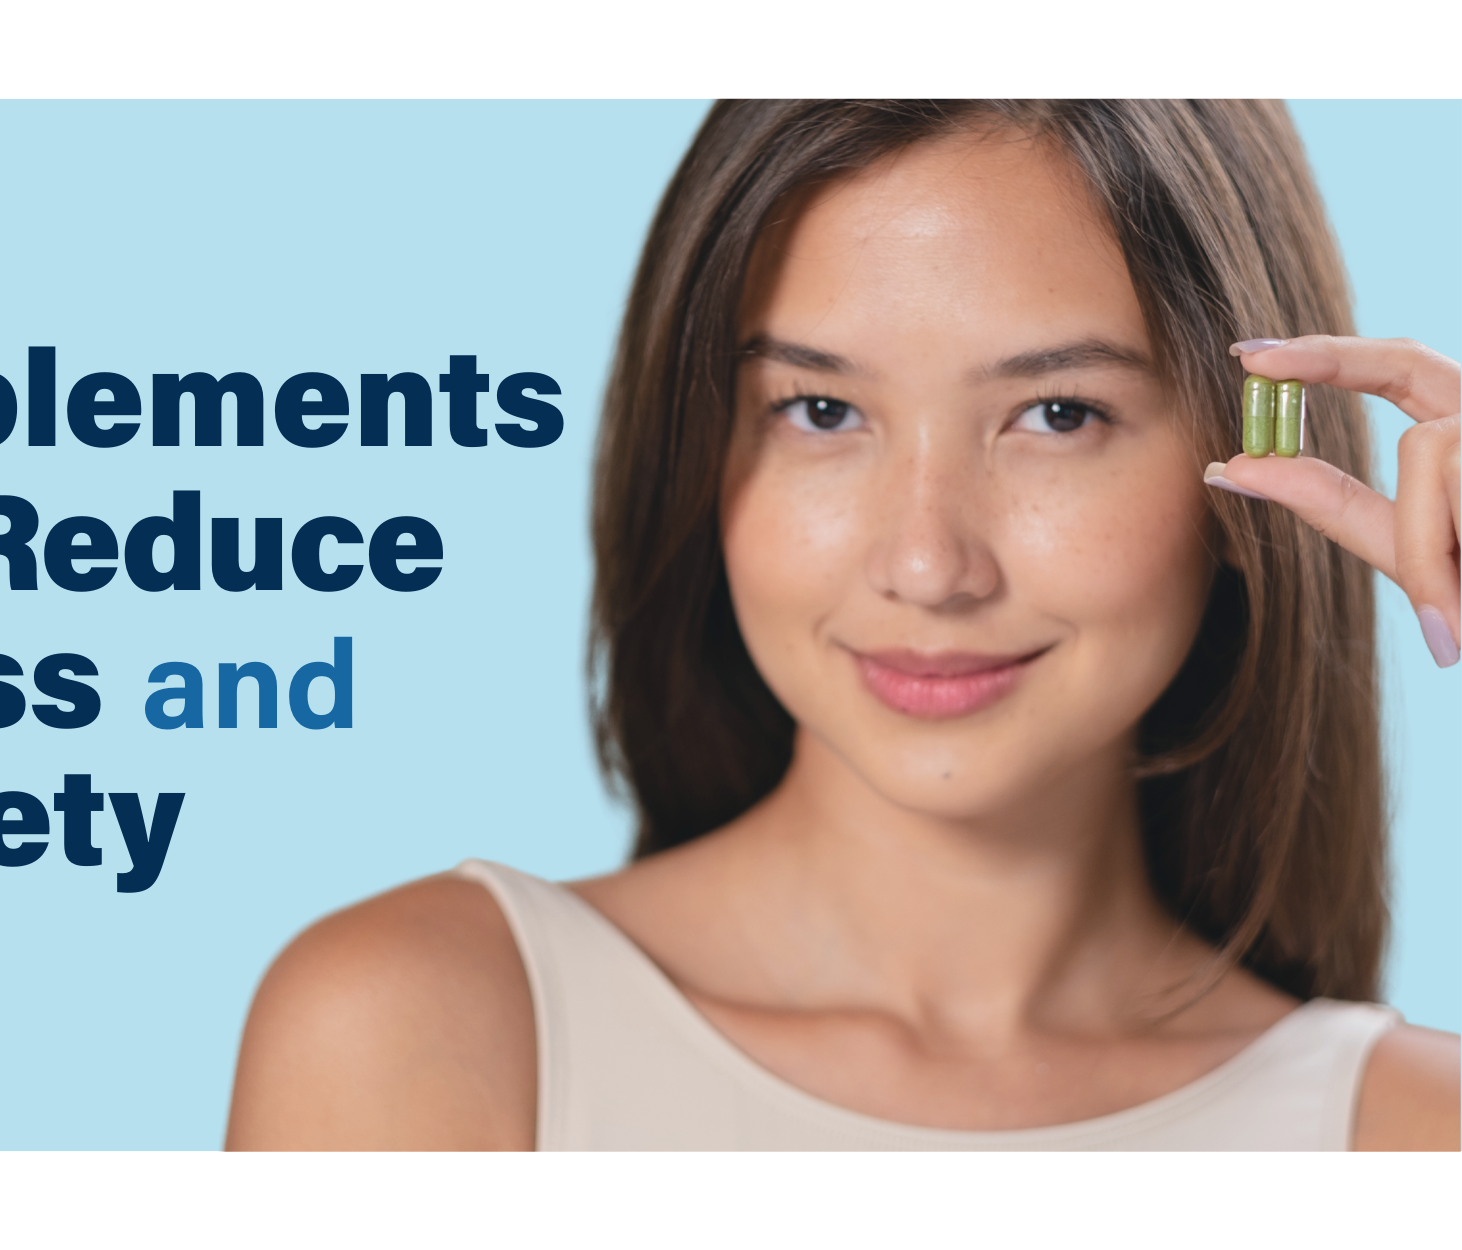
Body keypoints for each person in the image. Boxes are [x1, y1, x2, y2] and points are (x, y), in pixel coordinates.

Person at [225, 100, 1459, 1150]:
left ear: (1258, 451)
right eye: (820, 409)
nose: (926, 563)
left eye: (1059, 415)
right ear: (700, 449)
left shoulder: (1413, 1136)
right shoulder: (419, 1031)